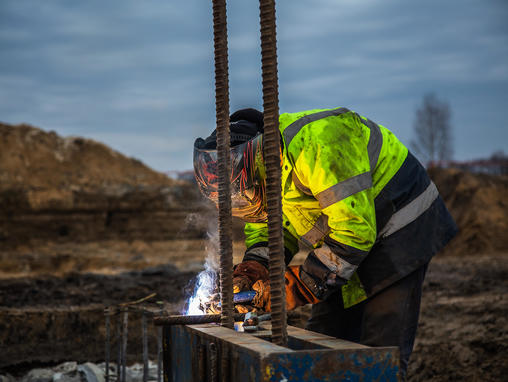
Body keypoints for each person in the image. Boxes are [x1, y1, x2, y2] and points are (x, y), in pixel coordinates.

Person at [193, 107, 457, 379]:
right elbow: (270, 224)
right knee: (324, 336)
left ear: (257, 159)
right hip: (348, 234)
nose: (244, 203)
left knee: (379, 347)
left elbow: (353, 233)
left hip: (401, 224)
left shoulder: (320, 145)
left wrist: (291, 288)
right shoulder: (262, 175)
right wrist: (254, 269)